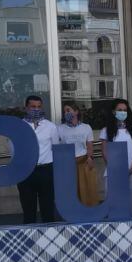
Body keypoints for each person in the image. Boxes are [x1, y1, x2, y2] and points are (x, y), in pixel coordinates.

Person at [17, 95, 60, 224]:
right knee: (28, 209)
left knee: (47, 208)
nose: (36, 109)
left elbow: (56, 147)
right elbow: (14, 149)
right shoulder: (19, 126)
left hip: (45, 170)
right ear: (26, 108)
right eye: (33, 107)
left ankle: (50, 237)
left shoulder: (50, 127)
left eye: (39, 107)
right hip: (25, 171)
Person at [100, 98, 132, 216]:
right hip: (112, 173)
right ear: (114, 112)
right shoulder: (105, 131)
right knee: (113, 204)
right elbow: (104, 151)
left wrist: (131, 169)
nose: (123, 112)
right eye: (120, 110)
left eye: (125, 110)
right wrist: (115, 169)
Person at [57, 103, 97, 206]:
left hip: (83, 162)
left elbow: (89, 145)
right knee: (70, 191)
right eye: (65, 111)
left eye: (68, 110)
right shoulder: (60, 129)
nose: (66, 113)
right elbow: (59, 148)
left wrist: (90, 158)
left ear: (76, 111)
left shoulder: (86, 127)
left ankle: (87, 214)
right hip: (68, 164)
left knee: (86, 190)